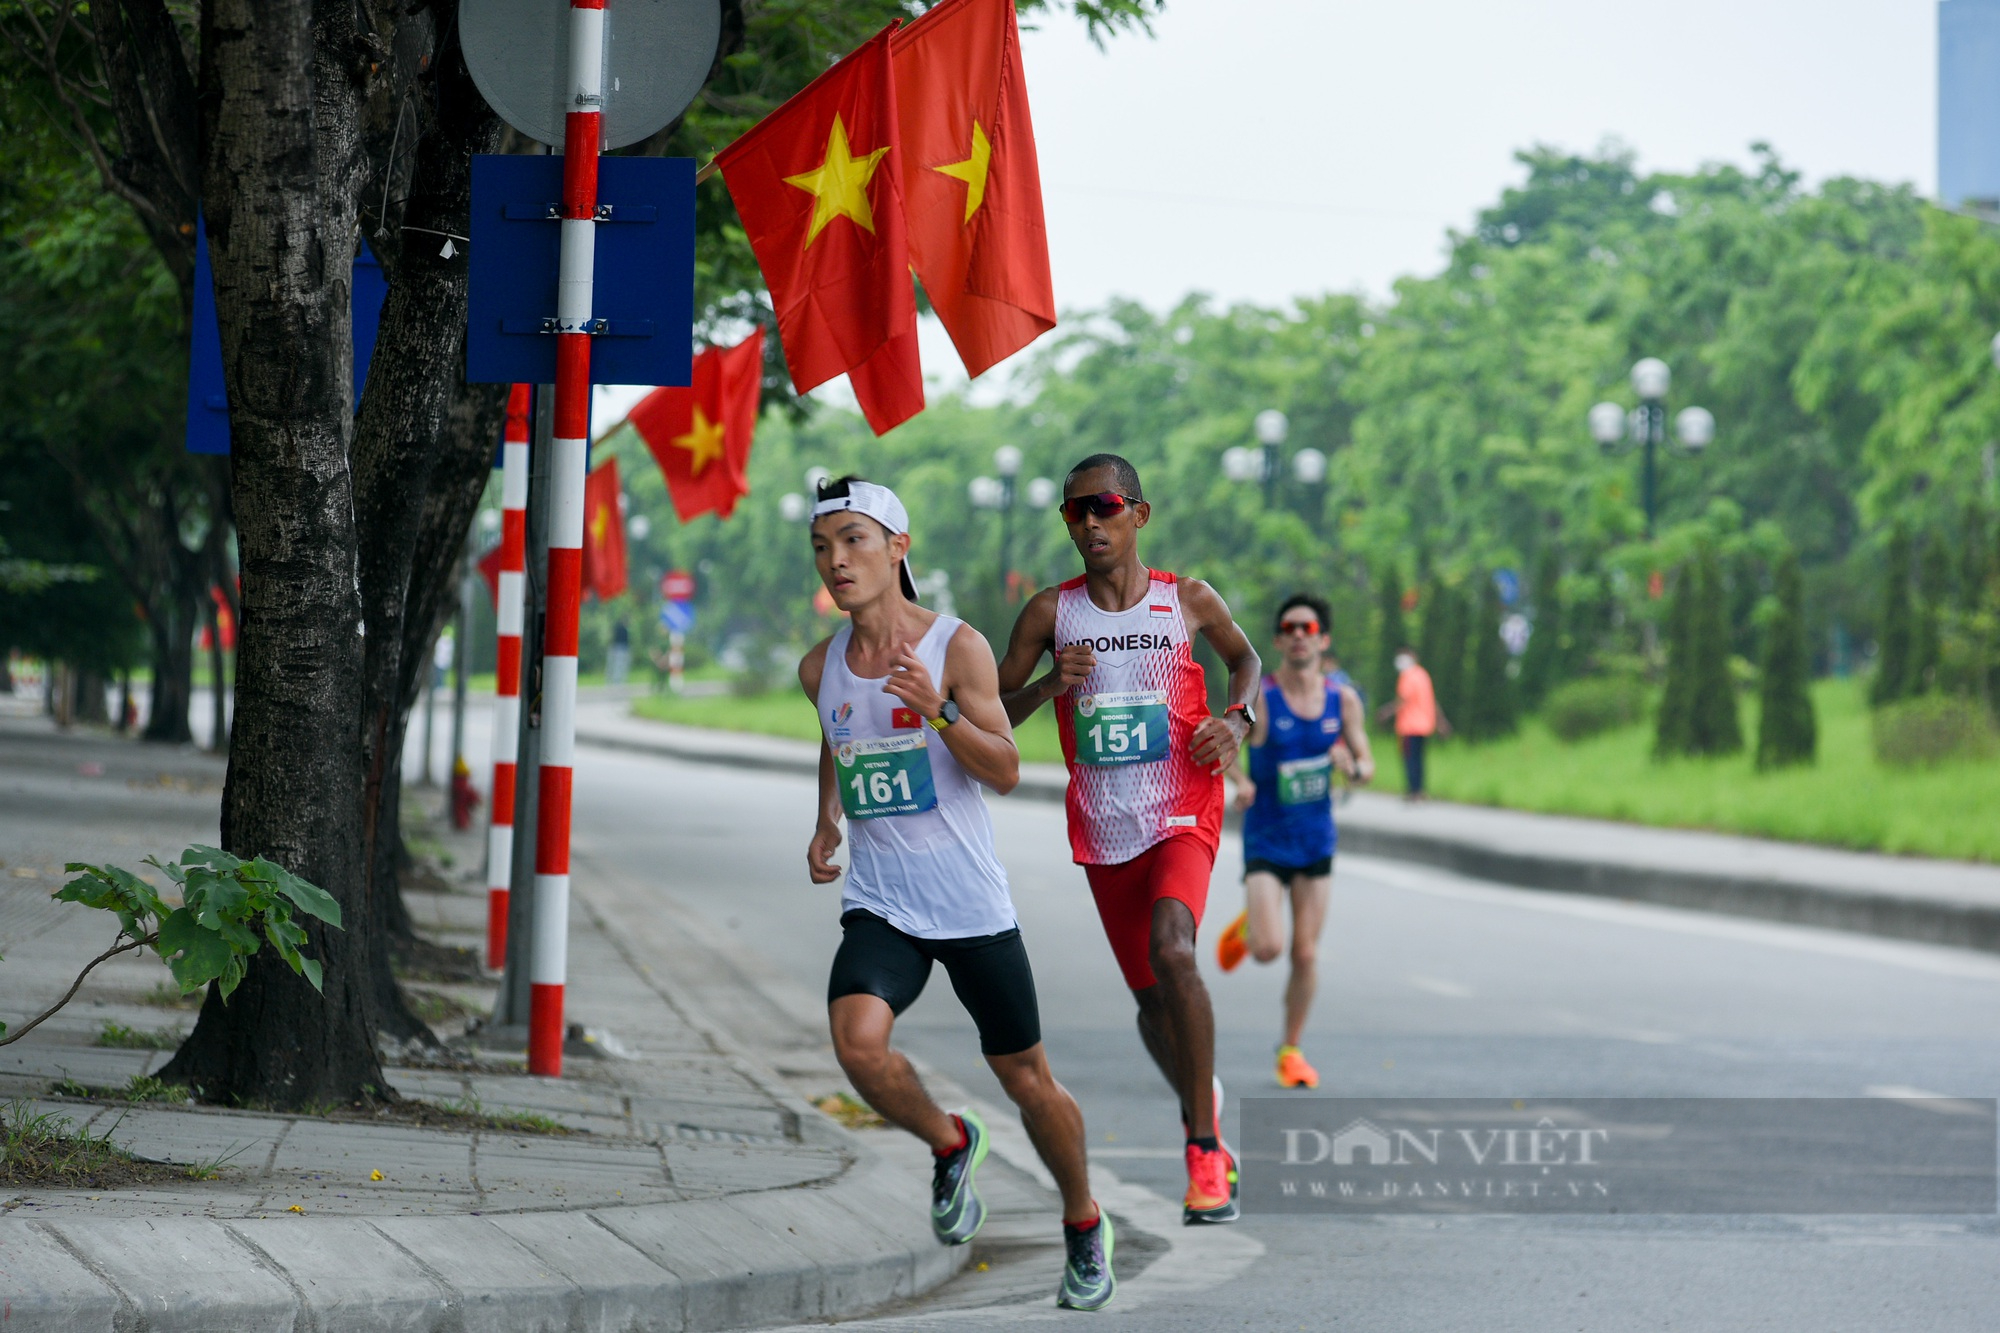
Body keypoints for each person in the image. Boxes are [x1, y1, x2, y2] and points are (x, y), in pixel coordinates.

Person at [798, 477, 1114, 1310]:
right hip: (883, 901)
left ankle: (1083, 1221)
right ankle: (949, 1141)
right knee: (858, 1044)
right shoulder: (817, 665)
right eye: (824, 546)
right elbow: (838, 737)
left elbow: (1005, 769)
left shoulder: (957, 646)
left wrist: (937, 713)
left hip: (970, 905)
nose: (838, 561)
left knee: (1029, 1081)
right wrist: (826, 817)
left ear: (899, 548)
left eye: (855, 540)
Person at [998, 453, 1262, 1226]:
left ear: (1138, 514)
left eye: (1105, 506)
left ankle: (1204, 1146)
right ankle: (1199, 1095)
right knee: (1152, 1003)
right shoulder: (1051, 614)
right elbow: (990, 712)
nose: (1090, 522)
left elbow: (1245, 660)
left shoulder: (1187, 599)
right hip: (1105, 824)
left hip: (1183, 802)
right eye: (1075, 510)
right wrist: (1050, 685)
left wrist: (1236, 722)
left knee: (1176, 950)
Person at [1215, 594, 1374, 1090]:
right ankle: (1249, 930)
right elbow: (1227, 746)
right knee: (1268, 949)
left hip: (1315, 842)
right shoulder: (1263, 697)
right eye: (1291, 628)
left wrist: (1353, 768)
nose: (1300, 635)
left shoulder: (1341, 700)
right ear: (1279, 640)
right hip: (1266, 837)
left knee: (1304, 954)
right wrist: (1239, 780)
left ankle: (1291, 1050)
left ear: (1323, 640)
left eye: (1310, 628)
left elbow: (1367, 764)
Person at [1382, 645, 1447, 801]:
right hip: (1424, 725)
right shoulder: (1423, 675)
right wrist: (1441, 721)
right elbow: (1432, 700)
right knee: (1419, 759)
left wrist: (1386, 712)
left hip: (1409, 726)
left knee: (1410, 759)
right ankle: (1420, 790)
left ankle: (1413, 791)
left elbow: (1403, 700)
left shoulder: (1408, 676)